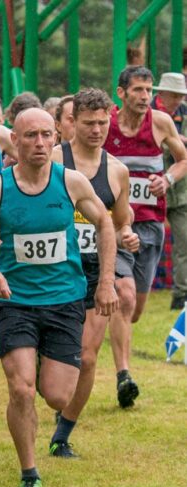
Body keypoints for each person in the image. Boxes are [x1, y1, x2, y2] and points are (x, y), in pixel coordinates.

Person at [0, 108, 118, 487]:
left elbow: (105, 223)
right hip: (15, 300)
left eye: (46, 135)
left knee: (57, 395)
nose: (39, 143)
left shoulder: (71, 182)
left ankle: (48, 406)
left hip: (65, 298)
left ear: (56, 138)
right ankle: (29, 470)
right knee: (21, 389)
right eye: (30, 135)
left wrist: (106, 283)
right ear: (13, 141)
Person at [49, 88, 138, 457]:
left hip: (92, 269)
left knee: (87, 356)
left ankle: (62, 434)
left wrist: (126, 234)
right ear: (73, 122)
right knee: (50, 359)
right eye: (89, 123)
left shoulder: (117, 171)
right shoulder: (52, 159)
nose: (97, 130)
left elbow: (118, 221)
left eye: (103, 123)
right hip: (50, 268)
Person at [105, 66, 187, 408]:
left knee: (135, 308)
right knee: (123, 296)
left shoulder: (160, 122)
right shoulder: (105, 125)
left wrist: (166, 179)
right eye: (137, 89)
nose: (144, 96)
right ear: (121, 92)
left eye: (147, 90)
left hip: (150, 224)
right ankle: (124, 375)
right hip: (113, 223)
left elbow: (183, 159)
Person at [149, 73, 187, 309]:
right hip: (148, 190)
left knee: (184, 242)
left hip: (180, 189)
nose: (178, 100)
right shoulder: (147, 113)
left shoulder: (185, 113)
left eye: (181, 96)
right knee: (142, 242)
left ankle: (181, 295)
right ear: (161, 93)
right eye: (174, 95)